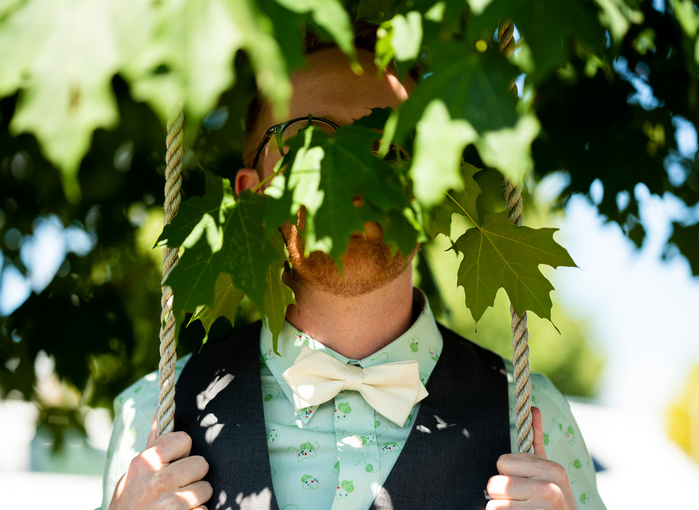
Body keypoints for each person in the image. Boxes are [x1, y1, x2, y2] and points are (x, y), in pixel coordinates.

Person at [102, 27, 606, 510]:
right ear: (253, 194)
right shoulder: (153, 414)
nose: (350, 179)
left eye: (384, 145)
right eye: (307, 144)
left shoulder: (532, 416)